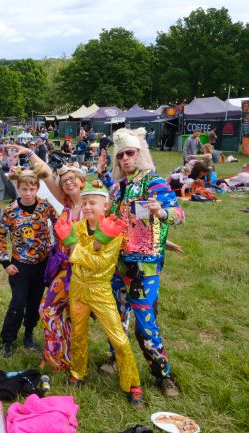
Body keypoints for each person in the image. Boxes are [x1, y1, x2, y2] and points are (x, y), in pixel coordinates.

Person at [97, 128, 184, 397]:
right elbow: (112, 221)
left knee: (145, 325)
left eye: (130, 153)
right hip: (118, 265)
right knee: (116, 319)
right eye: (120, 155)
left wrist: (163, 212)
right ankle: (116, 359)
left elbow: (179, 214)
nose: (125, 158)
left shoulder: (154, 182)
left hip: (144, 269)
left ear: (140, 153)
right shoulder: (117, 187)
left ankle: (163, 375)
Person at [54, 181, 144, 408]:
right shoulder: (76, 228)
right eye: (84, 202)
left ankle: (133, 384)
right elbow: (69, 252)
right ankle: (77, 372)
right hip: (77, 287)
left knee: (118, 338)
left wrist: (74, 248)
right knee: (78, 333)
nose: (87, 206)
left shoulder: (113, 231)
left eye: (92, 203)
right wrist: (72, 244)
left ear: (105, 205)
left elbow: (100, 263)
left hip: (100, 289)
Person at [0, 170, 58, 357]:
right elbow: (0, 238)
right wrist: (5, 262)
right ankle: (7, 339)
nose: (28, 193)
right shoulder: (10, 211)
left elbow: (60, 225)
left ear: (37, 188)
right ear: (18, 188)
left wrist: (59, 250)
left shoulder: (45, 207)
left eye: (32, 189)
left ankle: (29, 333)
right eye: (24, 189)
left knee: (34, 303)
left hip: (42, 264)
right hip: (20, 265)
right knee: (18, 303)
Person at [32, 162, 86, 371]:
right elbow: (46, 174)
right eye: (64, 181)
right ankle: (56, 355)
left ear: (82, 182)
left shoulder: (93, 202)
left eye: (73, 178)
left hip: (84, 271)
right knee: (47, 309)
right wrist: (30, 154)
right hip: (63, 269)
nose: (69, 183)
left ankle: (73, 359)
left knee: (75, 317)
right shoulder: (67, 205)